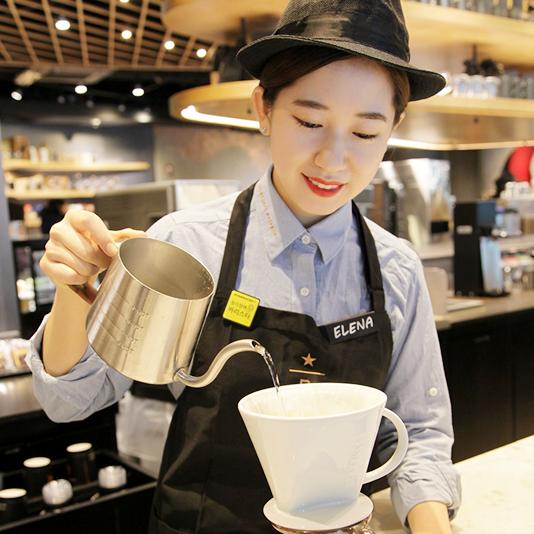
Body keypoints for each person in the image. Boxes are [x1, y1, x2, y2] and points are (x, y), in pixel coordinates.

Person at [28, 0, 461, 532]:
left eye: (366, 133)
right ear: (264, 109)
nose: (332, 159)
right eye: (309, 121)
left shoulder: (397, 270)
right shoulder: (186, 246)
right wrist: (74, 288)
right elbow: (70, 401)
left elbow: (419, 433)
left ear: (394, 127)